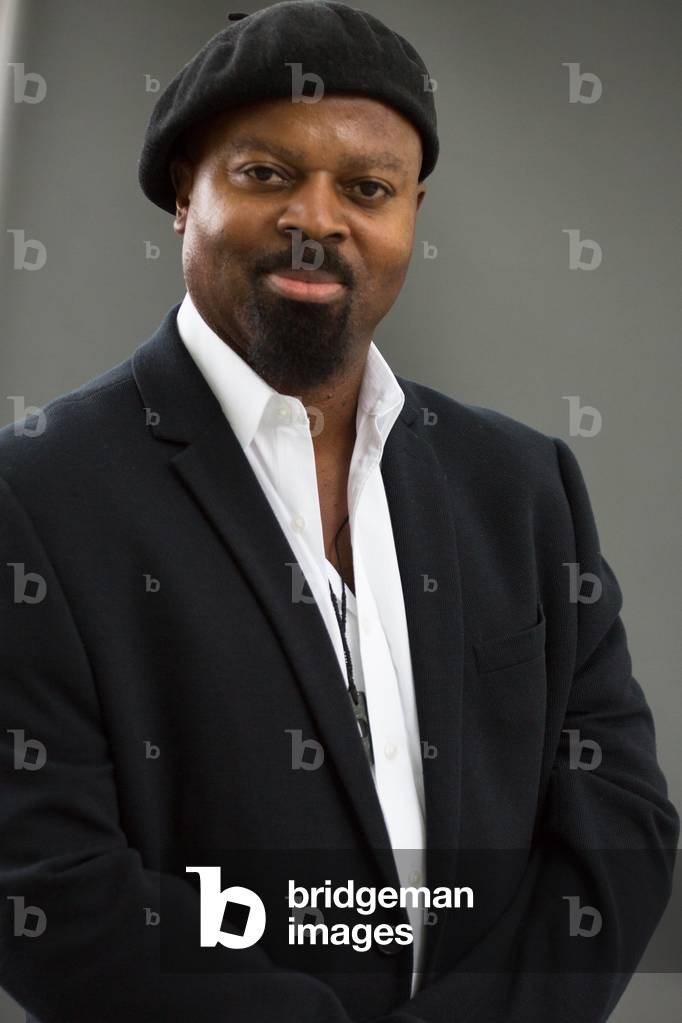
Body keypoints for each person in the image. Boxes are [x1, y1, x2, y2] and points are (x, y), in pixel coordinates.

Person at [0, 3, 677, 1022]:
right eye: (266, 174)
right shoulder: (36, 494)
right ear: (185, 191)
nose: (318, 219)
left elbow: (619, 825)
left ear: (411, 213)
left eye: (366, 188)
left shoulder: (522, 484)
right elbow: (46, 881)